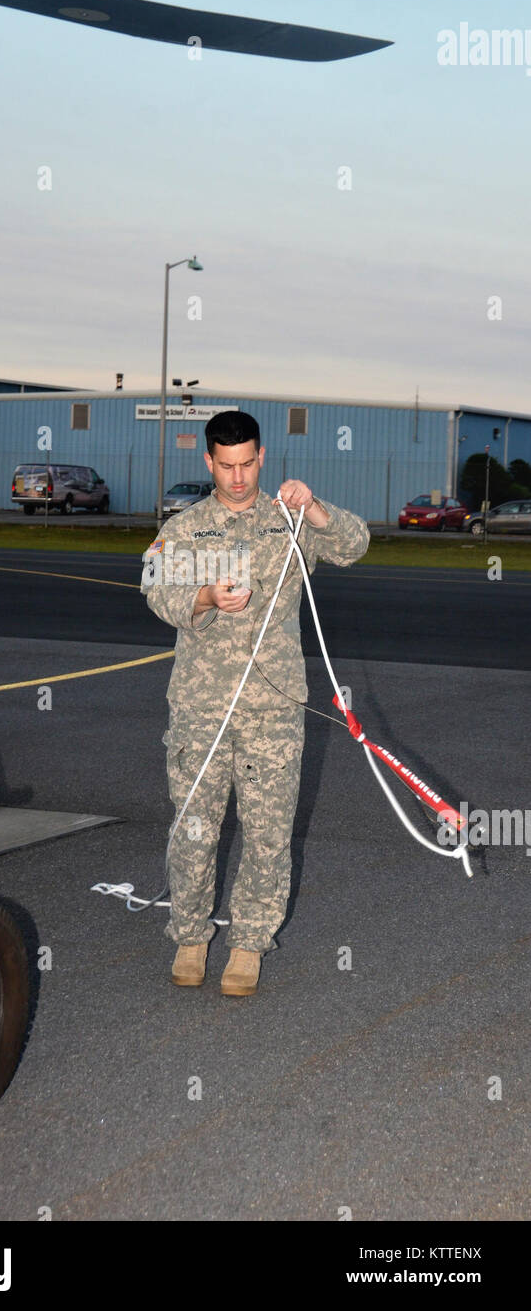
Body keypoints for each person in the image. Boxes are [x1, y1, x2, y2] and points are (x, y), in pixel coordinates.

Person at [141, 410, 369, 996]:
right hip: (201, 707)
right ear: (209, 461)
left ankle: (249, 945)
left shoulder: (287, 521)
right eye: (226, 465)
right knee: (195, 827)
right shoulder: (187, 526)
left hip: (274, 708)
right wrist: (205, 597)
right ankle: (190, 934)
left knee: (268, 831)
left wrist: (312, 507)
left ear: (262, 456)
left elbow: (354, 545)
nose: (238, 477)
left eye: (247, 464)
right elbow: (154, 589)